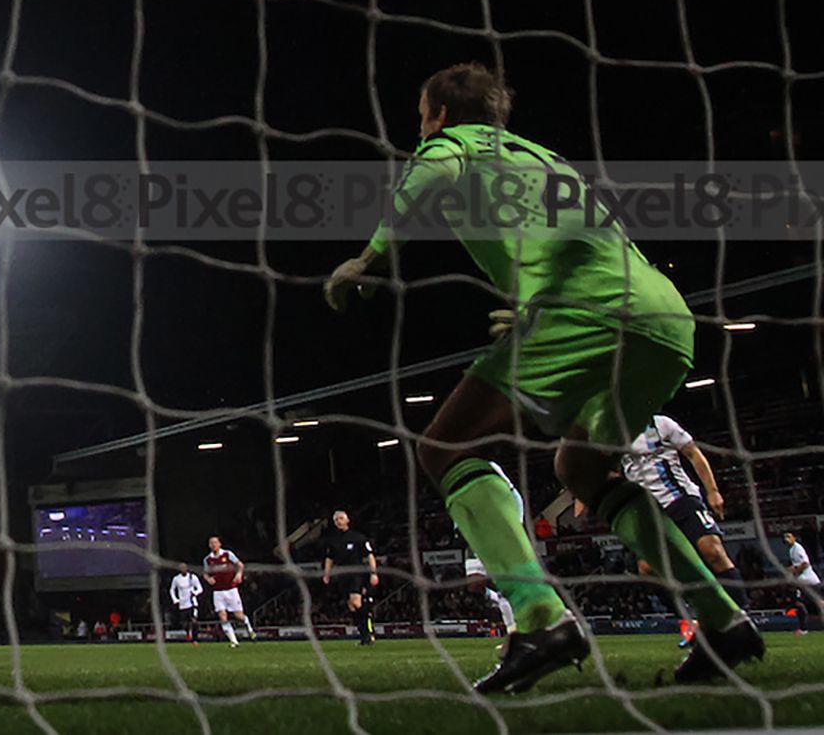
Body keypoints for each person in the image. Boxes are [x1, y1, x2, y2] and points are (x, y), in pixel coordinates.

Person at [326, 63, 762, 691]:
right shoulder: (542, 158)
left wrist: (370, 256)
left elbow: (428, 174)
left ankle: (540, 618)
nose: (420, 129)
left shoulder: (454, 144)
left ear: (440, 115)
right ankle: (723, 621)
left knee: (444, 447)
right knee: (580, 468)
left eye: (422, 117)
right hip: (663, 319)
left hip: (589, 310)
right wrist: (541, 297)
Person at [620, 414, 747, 642]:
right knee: (647, 570)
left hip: (680, 498)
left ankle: (742, 619)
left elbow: (693, 454)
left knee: (712, 551)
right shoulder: (612, 433)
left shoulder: (662, 424)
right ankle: (691, 619)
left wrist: (713, 491)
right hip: (647, 510)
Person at [463, 466, 519, 636]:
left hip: (500, 532)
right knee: (474, 584)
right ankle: (497, 596)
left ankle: (512, 632)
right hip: (478, 534)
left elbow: (513, 498)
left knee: (504, 585)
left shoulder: (488, 467)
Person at [321, 511, 378, 645]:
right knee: (351, 606)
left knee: (356, 602)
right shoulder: (333, 540)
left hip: (356, 573)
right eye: (336, 520)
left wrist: (373, 573)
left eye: (341, 518)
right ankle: (364, 636)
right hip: (342, 575)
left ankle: (369, 631)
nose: (339, 521)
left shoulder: (358, 537)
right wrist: (327, 574)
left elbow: (370, 555)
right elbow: (329, 558)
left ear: (347, 520)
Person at [202, 536, 254, 646]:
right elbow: (205, 573)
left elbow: (240, 565)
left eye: (215, 542)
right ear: (209, 545)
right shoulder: (208, 559)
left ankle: (248, 627)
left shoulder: (227, 554)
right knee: (222, 616)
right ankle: (234, 641)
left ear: (219, 544)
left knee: (239, 616)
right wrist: (208, 579)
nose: (213, 545)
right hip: (218, 592)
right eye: (211, 543)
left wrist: (239, 574)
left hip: (231, 589)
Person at [785, 531, 820, 635]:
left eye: (789, 537)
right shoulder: (792, 549)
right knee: (799, 603)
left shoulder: (797, 548)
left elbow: (805, 564)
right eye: (785, 538)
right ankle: (803, 628)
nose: (787, 540)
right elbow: (798, 564)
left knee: (804, 603)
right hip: (804, 581)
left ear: (794, 538)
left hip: (808, 580)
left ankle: (803, 628)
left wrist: (794, 571)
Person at [169, 562, 204, 643]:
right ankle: (188, 632)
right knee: (184, 622)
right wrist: (175, 599)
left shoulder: (192, 577)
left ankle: (195, 639)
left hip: (192, 603)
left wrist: (195, 593)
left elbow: (200, 588)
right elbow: (172, 589)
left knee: (194, 620)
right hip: (183, 604)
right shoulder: (176, 579)